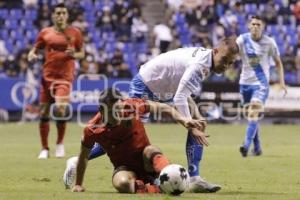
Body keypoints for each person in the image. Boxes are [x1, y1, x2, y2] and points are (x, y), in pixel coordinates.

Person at [87, 36, 239, 193]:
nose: (226, 66)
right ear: (215, 51)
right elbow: (180, 96)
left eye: (231, 63)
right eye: (224, 60)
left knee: (197, 123)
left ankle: (194, 179)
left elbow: (184, 92)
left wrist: (196, 115)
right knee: (125, 134)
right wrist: (189, 124)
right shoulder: (200, 65)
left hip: (163, 89)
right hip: (145, 85)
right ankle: (79, 160)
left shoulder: (206, 61)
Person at [66, 88, 205, 193]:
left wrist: (184, 120)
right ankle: (157, 189)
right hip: (124, 169)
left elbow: (164, 107)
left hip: (147, 161)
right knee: (122, 183)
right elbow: (83, 157)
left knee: (152, 150)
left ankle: (168, 176)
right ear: (101, 110)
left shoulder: (132, 105)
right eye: (111, 113)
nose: (117, 117)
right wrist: (78, 184)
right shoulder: (91, 129)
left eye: (118, 111)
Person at [27, 3, 84, 159]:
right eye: (58, 13)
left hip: (64, 78)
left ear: (67, 15)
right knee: (44, 112)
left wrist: (75, 55)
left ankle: (59, 143)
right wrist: (32, 54)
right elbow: (35, 48)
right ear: (53, 16)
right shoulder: (45, 32)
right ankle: (45, 148)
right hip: (47, 77)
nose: (60, 16)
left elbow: (82, 53)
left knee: (60, 108)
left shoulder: (75, 33)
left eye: (63, 13)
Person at [236, 16, 287, 157]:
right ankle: (257, 148)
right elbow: (232, 55)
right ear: (248, 25)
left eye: (258, 24)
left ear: (262, 27)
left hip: (261, 84)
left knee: (253, 112)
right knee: (253, 116)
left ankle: (245, 146)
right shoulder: (242, 40)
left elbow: (278, 62)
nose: (255, 26)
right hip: (244, 83)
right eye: (253, 24)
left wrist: (282, 82)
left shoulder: (270, 43)